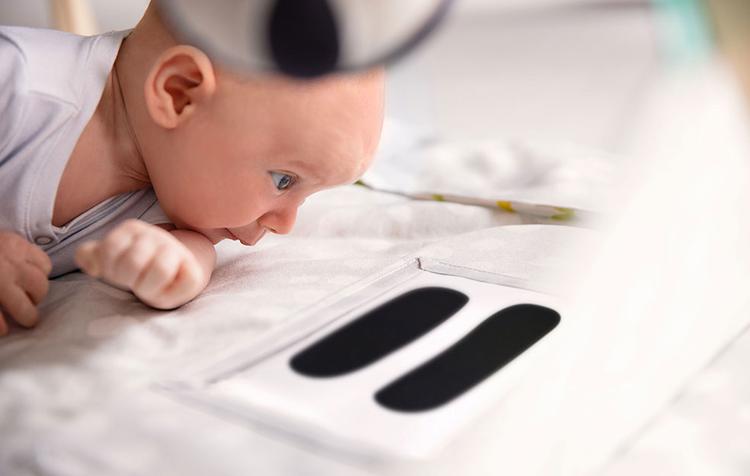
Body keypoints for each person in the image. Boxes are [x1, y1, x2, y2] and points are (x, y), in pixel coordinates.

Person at [0, 2, 385, 335]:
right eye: (284, 180)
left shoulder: (178, 187)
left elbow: (189, 256)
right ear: (179, 93)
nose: (285, 225)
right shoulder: (19, 82)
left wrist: (169, 270)